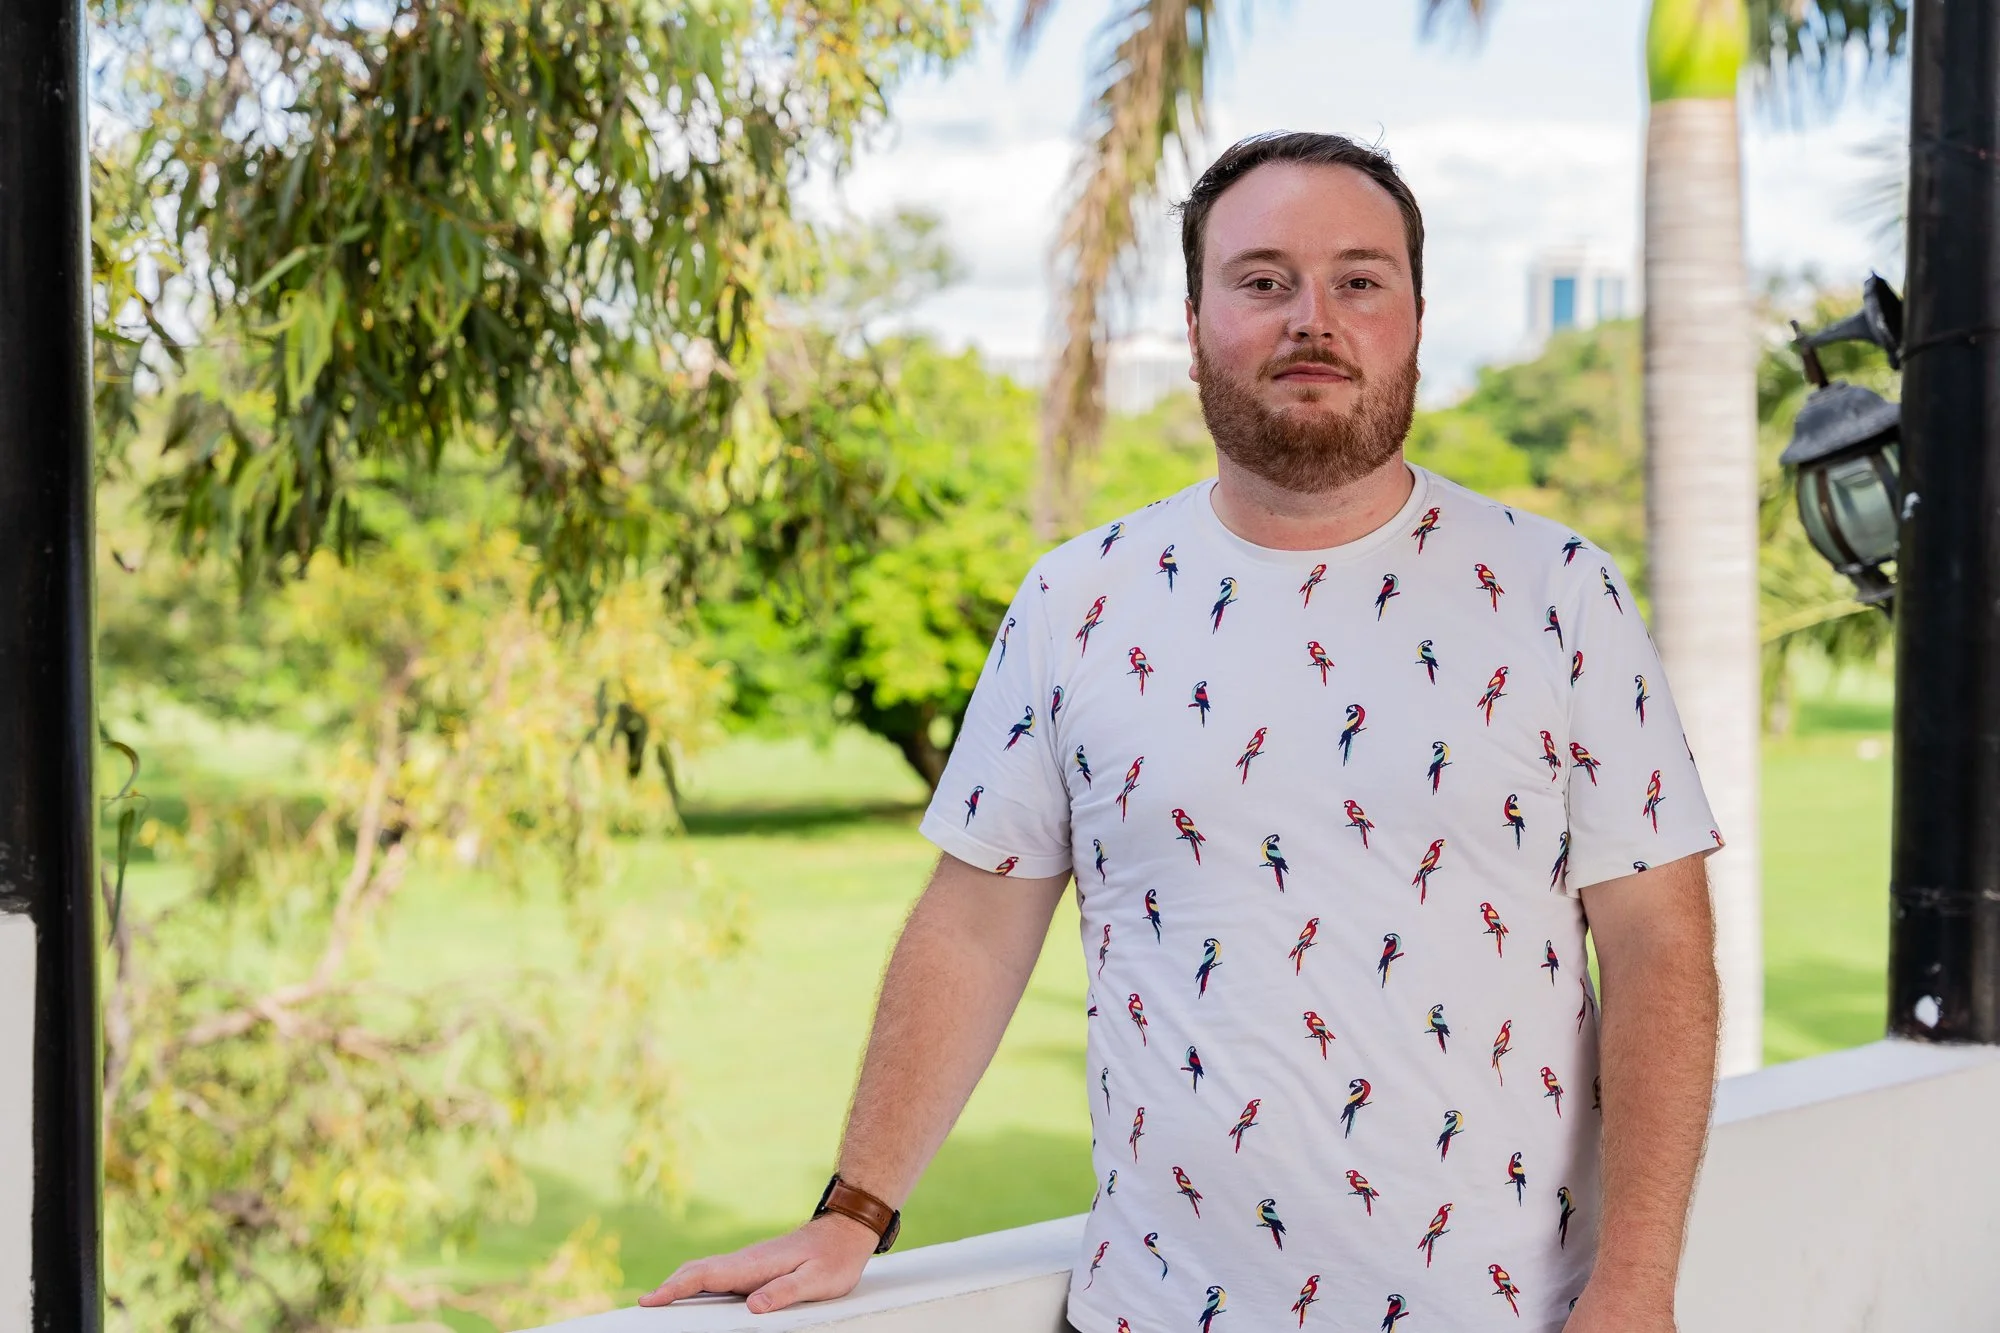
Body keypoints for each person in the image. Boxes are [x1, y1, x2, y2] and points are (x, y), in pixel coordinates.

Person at [639, 131, 1722, 1333]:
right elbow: (974, 924)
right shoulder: (1075, 600)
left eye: (1357, 280)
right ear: (1197, 318)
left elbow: (1657, 950)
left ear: (1415, 315)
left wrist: (1633, 1290)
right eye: (1261, 281)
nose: (1311, 317)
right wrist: (852, 1210)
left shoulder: (1557, 588)